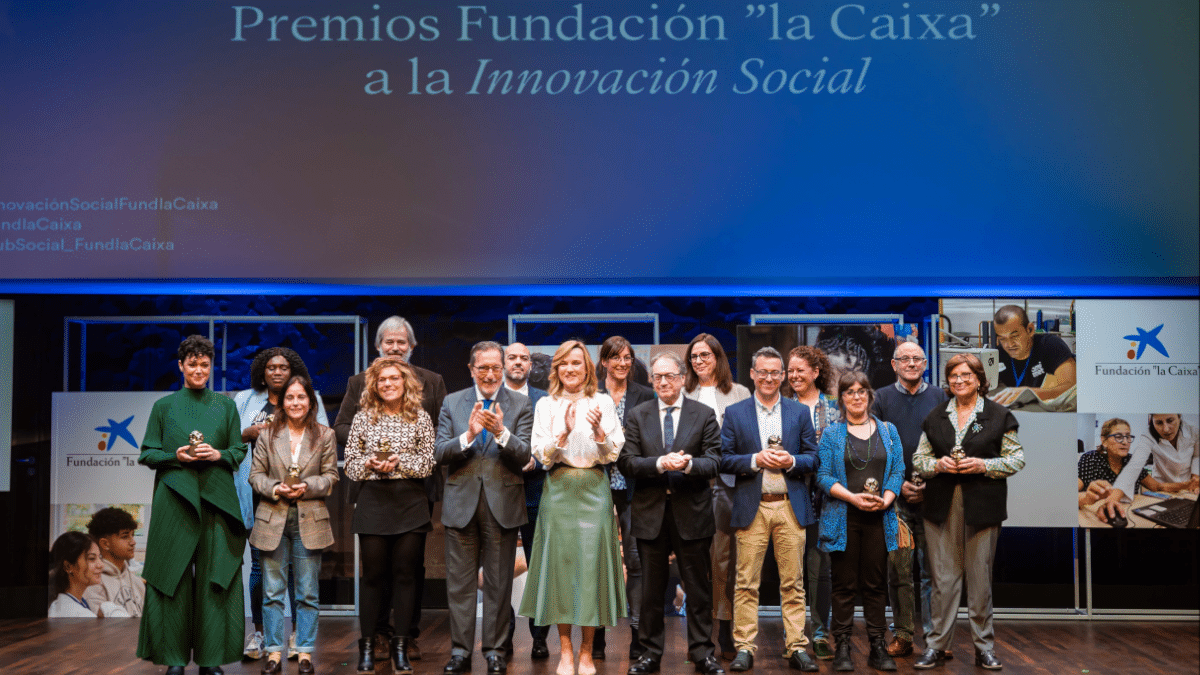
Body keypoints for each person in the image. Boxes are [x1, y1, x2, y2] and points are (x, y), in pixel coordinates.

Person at [333, 315, 446, 661]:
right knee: (375, 570)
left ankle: (407, 636)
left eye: (401, 343)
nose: (395, 349)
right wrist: (370, 456)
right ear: (379, 347)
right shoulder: (359, 384)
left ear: (411, 347)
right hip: (371, 491)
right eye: (389, 343)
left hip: (415, 492)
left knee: (409, 568)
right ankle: (377, 634)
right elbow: (342, 430)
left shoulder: (432, 381)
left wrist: (402, 462)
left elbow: (439, 437)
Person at [137, 334, 248, 675]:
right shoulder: (164, 407)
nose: (199, 370)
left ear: (210, 367)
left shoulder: (225, 406)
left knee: (215, 579)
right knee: (173, 577)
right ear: (181, 366)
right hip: (175, 500)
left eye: (205, 365)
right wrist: (176, 456)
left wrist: (218, 454)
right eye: (193, 364)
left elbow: (238, 450)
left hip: (217, 499)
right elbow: (147, 453)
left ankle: (210, 659)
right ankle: (173, 659)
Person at [518, 340, 626, 675]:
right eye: (564, 363)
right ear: (557, 369)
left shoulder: (603, 402)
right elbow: (542, 455)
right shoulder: (546, 405)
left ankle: (586, 652)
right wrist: (562, 433)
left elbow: (612, 454)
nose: (570, 369)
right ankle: (564, 650)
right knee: (562, 572)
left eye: (576, 363)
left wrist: (597, 431)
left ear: (587, 368)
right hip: (559, 489)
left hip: (594, 487)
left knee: (590, 571)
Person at [911, 353, 1024, 670]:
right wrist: (937, 465)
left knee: (979, 581)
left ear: (979, 379)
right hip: (940, 506)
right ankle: (936, 646)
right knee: (943, 581)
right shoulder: (935, 417)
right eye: (953, 376)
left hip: (983, 506)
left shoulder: (1000, 415)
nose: (959, 381)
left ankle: (983, 647)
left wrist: (983, 465)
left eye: (965, 375)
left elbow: (1016, 460)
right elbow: (920, 461)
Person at [618, 352, 725, 675]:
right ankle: (650, 654)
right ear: (652, 380)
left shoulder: (703, 414)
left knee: (698, 588)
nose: (663, 382)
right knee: (651, 590)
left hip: (692, 513)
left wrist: (689, 465)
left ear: (681, 378)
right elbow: (627, 462)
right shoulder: (637, 415)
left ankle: (703, 653)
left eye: (669, 376)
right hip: (650, 515)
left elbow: (715, 461)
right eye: (657, 376)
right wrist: (659, 464)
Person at [719, 346, 820, 673]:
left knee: (794, 583)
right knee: (745, 583)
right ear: (752, 374)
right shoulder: (736, 413)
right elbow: (724, 458)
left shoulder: (798, 412)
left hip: (791, 508)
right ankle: (745, 647)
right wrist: (754, 460)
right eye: (762, 372)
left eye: (775, 372)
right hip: (753, 508)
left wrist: (791, 460)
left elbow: (813, 457)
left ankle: (796, 646)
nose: (768, 378)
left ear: (782, 376)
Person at [435, 341, 533, 675]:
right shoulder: (452, 402)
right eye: (483, 368)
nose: (490, 374)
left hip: (502, 504)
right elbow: (439, 453)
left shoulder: (520, 403)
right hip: (460, 505)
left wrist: (501, 432)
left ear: (503, 367)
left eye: (495, 367)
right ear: (471, 369)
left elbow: (524, 455)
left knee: (498, 583)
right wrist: (469, 434)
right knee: (460, 585)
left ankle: (495, 652)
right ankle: (460, 652)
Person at [234, 347, 329, 660]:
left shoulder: (307, 404)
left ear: (294, 373)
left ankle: (296, 637)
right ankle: (261, 634)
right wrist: (250, 433)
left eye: (283, 367)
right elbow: (231, 440)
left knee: (299, 575)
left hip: (303, 501)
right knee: (261, 569)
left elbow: (323, 446)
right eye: (270, 367)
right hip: (261, 497)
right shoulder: (245, 400)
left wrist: (307, 486)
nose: (276, 372)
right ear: (262, 371)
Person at [248, 375, 339, 675]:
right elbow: (255, 475)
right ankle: (273, 653)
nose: (296, 403)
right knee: (272, 592)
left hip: (309, 519)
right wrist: (276, 488)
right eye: (290, 398)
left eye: (301, 397)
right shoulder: (267, 435)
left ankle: (304, 653)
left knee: (307, 593)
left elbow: (331, 477)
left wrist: (306, 487)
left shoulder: (325, 435)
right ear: (282, 402)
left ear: (310, 401)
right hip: (272, 517)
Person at [817, 372, 904, 672]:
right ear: (841, 398)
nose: (856, 396)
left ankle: (877, 646)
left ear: (870, 395)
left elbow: (897, 472)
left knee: (875, 585)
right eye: (849, 392)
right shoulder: (831, 434)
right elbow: (823, 476)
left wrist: (886, 500)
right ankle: (842, 645)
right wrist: (853, 498)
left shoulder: (888, 430)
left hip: (880, 517)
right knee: (843, 585)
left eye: (862, 391)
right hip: (844, 517)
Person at [871, 342, 947, 657]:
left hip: (934, 497)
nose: (911, 363)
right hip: (896, 500)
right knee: (899, 570)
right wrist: (898, 484)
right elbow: (873, 446)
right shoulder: (881, 398)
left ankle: (935, 641)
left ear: (925, 363)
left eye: (917, 358)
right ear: (894, 364)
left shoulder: (942, 398)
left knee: (934, 572)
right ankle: (903, 635)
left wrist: (930, 485)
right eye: (905, 358)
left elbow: (948, 444)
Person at [682, 333, 750, 660]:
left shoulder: (739, 394)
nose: (699, 361)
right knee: (697, 562)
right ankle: (699, 636)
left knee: (724, 561)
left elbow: (747, 440)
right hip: (692, 486)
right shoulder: (682, 394)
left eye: (705, 355)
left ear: (718, 357)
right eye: (694, 356)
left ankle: (725, 627)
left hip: (728, 486)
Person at [595, 335, 655, 660]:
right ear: (604, 361)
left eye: (628, 357)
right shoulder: (591, 396)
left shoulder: (645, 396)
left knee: (636, 563)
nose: (622, 363)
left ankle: (637, 637)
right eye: (615, 357)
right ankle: (595, 640)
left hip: (634, 490)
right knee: (599, 565)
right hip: (597, 489)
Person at [785, 346, 840, 660]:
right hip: (790, 495)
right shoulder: (780, 407)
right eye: (790, 371)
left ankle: (819, 634)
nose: (793, 376)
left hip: (828, 499)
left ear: (816, 372)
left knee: (821, 570)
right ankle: (792, 635)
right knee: (790, 570)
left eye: (799, 370)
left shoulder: (834, 408)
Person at [505, 342, 552, 659]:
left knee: (540, 568)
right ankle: (503, 635)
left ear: (530, 365)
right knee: (499, 569)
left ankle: (539, 637)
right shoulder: (489, 399)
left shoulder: (545, 402)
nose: (519, 362)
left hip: (536, 493)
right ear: (503, 363)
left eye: (524, 358)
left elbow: (551, 443)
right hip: (500, 494)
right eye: (513, 357)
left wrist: (537, 460)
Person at [1103, 413, 1199, 521]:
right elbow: (1135, 465)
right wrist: (1113, 499)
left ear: (1179, 416)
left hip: (1188, 488)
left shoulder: (1193, 430)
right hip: (1163, 489)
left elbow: (1197, 456)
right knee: (1162, 518)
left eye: (1170, 420)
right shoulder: (1148, 435)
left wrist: (1195, 479)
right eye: (1158, 423)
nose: (1166, 429)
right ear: (1151, 420)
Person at [990, 305, 1076, 406]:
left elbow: (1071, 387)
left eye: (1014, 336)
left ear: (1030, 330)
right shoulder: (998, 355)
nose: (1009, 345)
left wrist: (1029, 393)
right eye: (1002, 339)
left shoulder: (1050, 345)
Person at [49, 531, 131, 618]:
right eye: (92, 558)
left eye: (100, 557)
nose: (101, 565)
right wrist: (111, 610)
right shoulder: (76, 614)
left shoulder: (73, 603)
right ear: (68, 566)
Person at [83, 506, 145, 617]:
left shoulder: (137, 582)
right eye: (125, 536)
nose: (133, 542)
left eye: (132, 535)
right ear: (105, 544)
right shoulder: (93, 584)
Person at [1078, 418, 1149, 512]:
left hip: (1129, 515)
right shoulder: (1090, 459)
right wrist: (1086, 498)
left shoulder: (1132, 461)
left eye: (1128, 437)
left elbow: (1157, 487)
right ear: (1104, 441)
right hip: (1095, 518)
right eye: (1118, 437)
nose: (1125, 442)